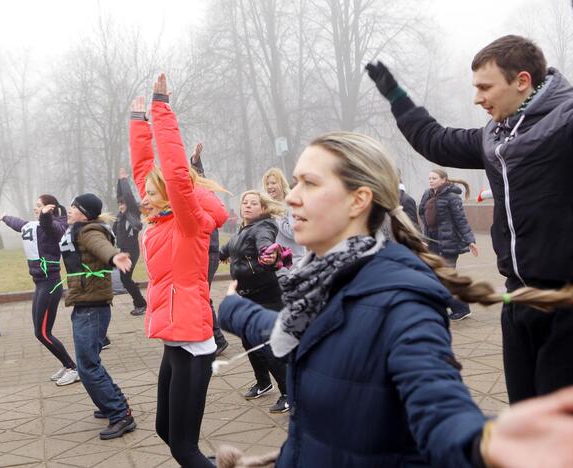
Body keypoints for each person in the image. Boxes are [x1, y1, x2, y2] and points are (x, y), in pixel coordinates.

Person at [218, 131, 573, 467]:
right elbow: (308, 336)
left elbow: (436, 400)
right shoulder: (320, 283)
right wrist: (235, 310)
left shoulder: (401, 299)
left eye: (309, 183)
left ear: (358, 200)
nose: (292, 196)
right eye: (295, 182)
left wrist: (482, 443)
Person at [366, 34, 573, 403]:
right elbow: (434, 140)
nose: (477, 98)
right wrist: (396, 96)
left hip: (566, 306)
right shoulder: (495, 138)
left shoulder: (566, 125)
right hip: (518, 300)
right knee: (524, 418)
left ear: (521, 81)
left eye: (485, 87)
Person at [129, 73, 229, 467]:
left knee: (182, 447)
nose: (145, 200)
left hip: (194, 343)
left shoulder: (189, 223)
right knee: (166, 432)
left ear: (171, 194)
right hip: (175, 341)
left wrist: (160, 109)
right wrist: (138, 127)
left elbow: (172, 173)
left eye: (152, 195)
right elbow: (146, 174)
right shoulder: (160, 221)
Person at [59, 192, 135, 440]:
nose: (69, 209)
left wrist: (114, 256)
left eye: (74, 206)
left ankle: (120, 414)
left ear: (84, 212)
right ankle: (113, 404)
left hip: (91, 308)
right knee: (90, 362)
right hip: (88, 305)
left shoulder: (88, 231)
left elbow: (101, 247)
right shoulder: (78, 229)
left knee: (87, 366)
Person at [219, 190, 289, 413]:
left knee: (268, 347)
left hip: (267, 296)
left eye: (253, 203)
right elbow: (222, 251)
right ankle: (263, 382)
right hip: (247, 295)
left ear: (263, 208)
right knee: (249, 343)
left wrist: (269, 254)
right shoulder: (242, 231)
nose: (247, 206)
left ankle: (289, 393)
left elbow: (266, 246)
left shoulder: (263, 228)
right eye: (245, 202)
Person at [0, 195, 80, 386]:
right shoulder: (35, 226)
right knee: (41, 332)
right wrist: (5, 217)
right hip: (40, 284)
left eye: (38, 206)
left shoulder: (56, 226)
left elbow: (49, 226)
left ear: (49, 208)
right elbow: (21, 224)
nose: (35, 208)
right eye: (35, 206)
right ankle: (67, 364)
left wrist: (46, 216)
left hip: (50, 283)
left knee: (42, 333)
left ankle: (72, 368)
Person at [419, 169, 478, 321]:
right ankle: (442, 306)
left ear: (444, 179)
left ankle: (462, 308)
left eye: (434, 178)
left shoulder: (452, 197)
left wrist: (470, 240)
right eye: (430, 178)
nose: (431, 180)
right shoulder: (428, 194)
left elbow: (461, 220)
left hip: (448, 244)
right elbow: (422, 213)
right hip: (433, 243)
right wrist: (425, 236)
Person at [188, 142, 230, 356]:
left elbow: (197, 181)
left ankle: (217, 338)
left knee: (201, 295)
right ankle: (210, 337)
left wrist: (195, 162)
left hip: (208, 250)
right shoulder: (190, 194)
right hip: (198, 250)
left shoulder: (202, 194)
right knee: (199, 295)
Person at [114, 167, 147, 316]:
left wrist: (124, 180)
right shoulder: (120, 216)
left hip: (131, 251)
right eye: (119, 204)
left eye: (123, 204)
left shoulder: (132, 213)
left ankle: (141, 304)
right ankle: (138, 296)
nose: (121, 205)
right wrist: (119, 182)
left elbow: (127, 196)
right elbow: (120, 195)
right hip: (123, 251)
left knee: (125, 279)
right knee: (125, 279)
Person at [261, 168, 305, 266]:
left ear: (281, 183)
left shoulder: (291, 204)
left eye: (273, 183)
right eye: (267, 184)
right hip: (274, 264)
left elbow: (294, 233)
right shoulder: (265, 208)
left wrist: (277, 216)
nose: (270, 186)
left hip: (294, 262)